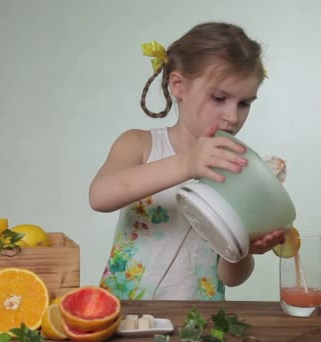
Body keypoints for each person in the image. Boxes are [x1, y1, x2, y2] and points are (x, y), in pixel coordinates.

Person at [89, 21, 288, 300]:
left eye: (244, 103)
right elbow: (99, 196)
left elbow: (232, 279)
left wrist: (242, 246)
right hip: (127, 314)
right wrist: (187, 164)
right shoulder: (139, 144)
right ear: (179, 85)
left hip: (199, 322)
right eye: (219, 98)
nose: (233, 116)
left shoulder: (236, 170)